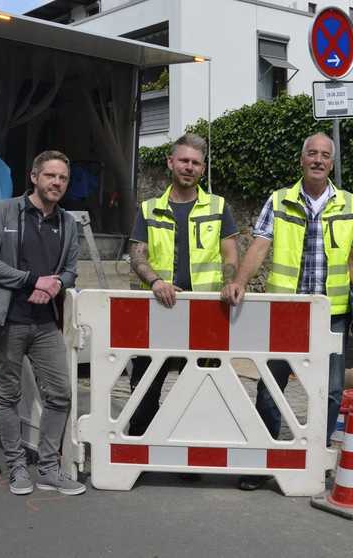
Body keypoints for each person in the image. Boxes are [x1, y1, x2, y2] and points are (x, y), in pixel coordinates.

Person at [222, 132, 353, 491]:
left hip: (332, 312)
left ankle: (316, 455)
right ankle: (262, 457)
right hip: (285, 312)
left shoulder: (349, 203)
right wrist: (240, 279)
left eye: (325, 155)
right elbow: (259, 246)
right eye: (312, 154)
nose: (318, 160)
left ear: (331, 163)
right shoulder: (279, 200)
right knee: (272, 385)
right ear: (301, 160)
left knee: (332, 390)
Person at [0, 150, 84, 496]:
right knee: (9, 395)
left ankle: (49, 468)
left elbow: (70, 270)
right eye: (50, 175)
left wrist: (56, 284)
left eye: (63, 178)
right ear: (34, 177)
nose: (57, 183)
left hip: (45, 323)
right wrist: (31, 280)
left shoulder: (68, 223)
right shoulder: (4, 211)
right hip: (7, 320)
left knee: (60, 395)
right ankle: (17, 466)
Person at [128, 132, 239, 436]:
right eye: (183, 160)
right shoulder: (149, 208)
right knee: (145, 385)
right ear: (170, 163)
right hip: (159, 311)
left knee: (202, 386)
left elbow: (230, 252)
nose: (189, 167)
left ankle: (193, 447)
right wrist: (155, 281)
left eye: (195, 163)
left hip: (206, 313)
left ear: (202, 169)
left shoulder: (218, 207)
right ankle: (143, 444)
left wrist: (231, 283)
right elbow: (137, 255)